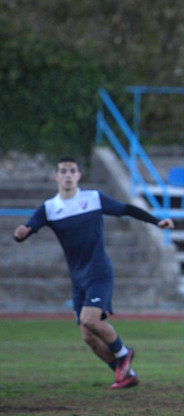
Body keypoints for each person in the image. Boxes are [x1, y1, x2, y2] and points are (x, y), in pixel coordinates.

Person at [13, 156, 174, 389]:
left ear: (78, 176)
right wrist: (19, 234)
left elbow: (126, 208)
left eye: (72, 171)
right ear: (57, 177)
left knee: (90, 320)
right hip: (78, 278)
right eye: (63, 171)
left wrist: (157, 222)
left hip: (99, 271)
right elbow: (27, 229)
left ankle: (124, 353)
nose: (68, 175)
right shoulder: (49, 208)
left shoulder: (93, 199)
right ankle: (125, 374)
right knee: (88, 336)